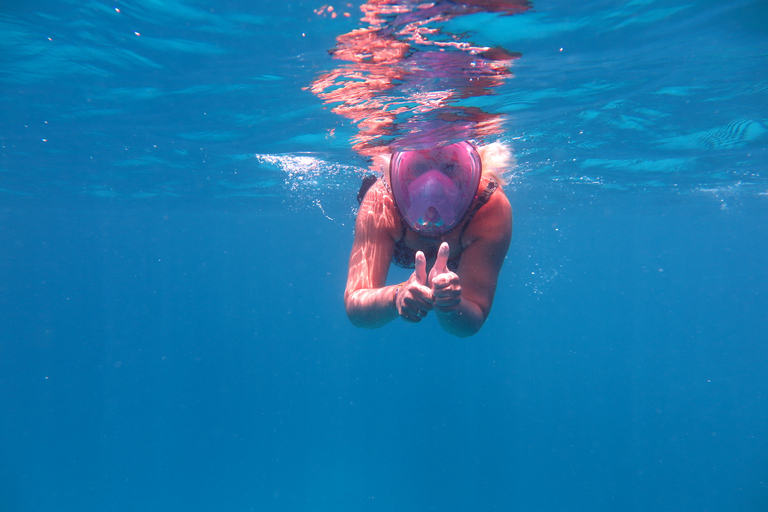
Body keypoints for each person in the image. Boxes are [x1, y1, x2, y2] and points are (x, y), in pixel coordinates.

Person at [344, 141, 513, 337]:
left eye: (450, 167)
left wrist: (451, 304)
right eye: (418, 167)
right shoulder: (382, 200)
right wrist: (397, 296)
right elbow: (355, 307)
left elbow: (472, 321)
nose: (433, 186)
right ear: (398, 170)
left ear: (473, 171)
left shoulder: (488, 206)